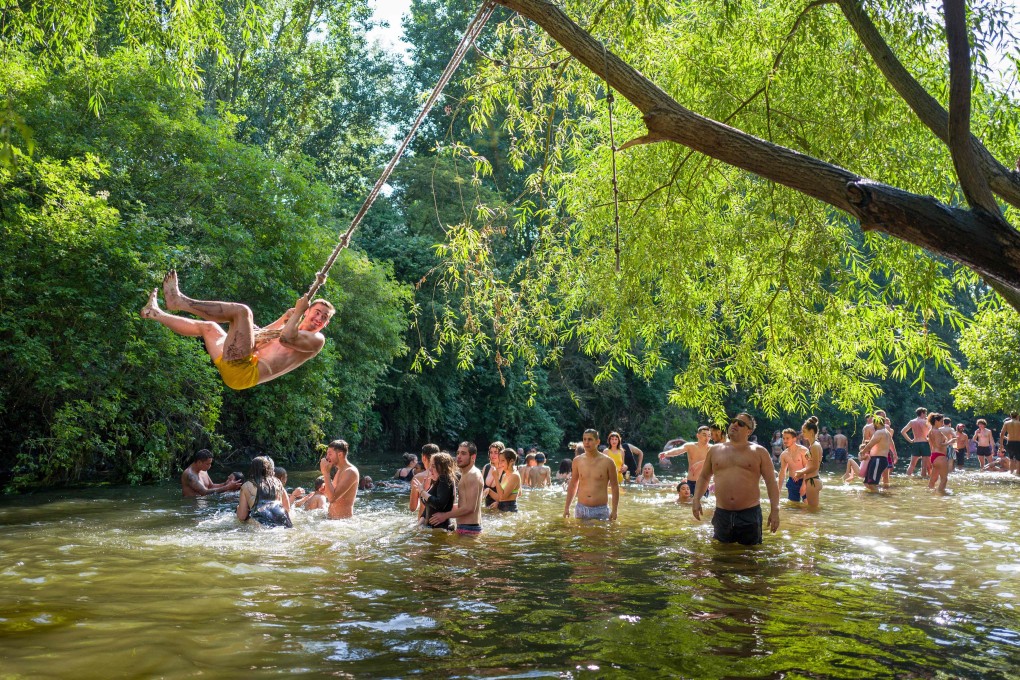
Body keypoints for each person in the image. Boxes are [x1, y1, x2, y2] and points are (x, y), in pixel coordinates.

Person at [141, 270, 335, 390]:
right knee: (208, 328)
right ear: (309, 312)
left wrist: (297, 312)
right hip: (237, 367)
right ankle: (155, 313)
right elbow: (258, 338)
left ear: (325, 324)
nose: (319, 319)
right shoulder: (290, 328)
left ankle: (179, 301)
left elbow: (286, 339)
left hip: (245, 372)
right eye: (317, 312)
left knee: (242, 312)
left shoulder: (316, 340)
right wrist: (284, 318)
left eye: (324, 318)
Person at [692, 413, 779, 545]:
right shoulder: (715, 450)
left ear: (749, 431)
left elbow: (771, 482)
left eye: (741, 423)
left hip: (749, 514)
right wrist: (696, 499)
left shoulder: (759, 452)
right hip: (722, 514)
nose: (735, 424)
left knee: (750, 558)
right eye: (734, 421)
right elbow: (704, 477)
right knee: (721, 558)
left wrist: (775, 510)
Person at [429, 441, 484, 535]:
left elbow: (470, 508)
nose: (459, 456)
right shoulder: (466, 474)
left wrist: (444, 515)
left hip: (469, 530)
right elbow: (465, 504)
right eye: (458, 453)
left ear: (473, 457)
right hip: (466, 528)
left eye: (463, 453)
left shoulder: (473, 475)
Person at [564, 429, 619, 520]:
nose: (586, 442)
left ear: (597, 442)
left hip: (601, 510)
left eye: (590, 439)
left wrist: (615, 510)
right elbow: (573, 484)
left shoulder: (608, 462)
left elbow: (615, 487)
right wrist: (567, 508)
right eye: (584, 439)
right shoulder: (577, 461)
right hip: (581, 508)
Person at [236, 456, 293, 528]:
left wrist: (238, 508)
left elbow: (242, 517)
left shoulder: (246, 486)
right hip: (283, 520)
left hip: (262, 523)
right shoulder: (277, 482)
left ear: (252, 469)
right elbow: (287, 508)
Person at [660, 426, 712, 497]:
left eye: (709, 436)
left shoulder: (712, 448)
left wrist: (699, 463)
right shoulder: (690, 446)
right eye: (704, 435)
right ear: (698, 435)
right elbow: (678, 450)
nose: (707, 438)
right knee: (687, 505)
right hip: (690, 482)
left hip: (703, 482)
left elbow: (715, 460)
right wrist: (666, 453)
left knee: (703, 504)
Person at [413, 451, 457, 531]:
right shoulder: (436, 480)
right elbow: (428, 507)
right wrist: (419, 526)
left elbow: (439, 504)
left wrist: (422, 491)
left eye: (433, 466)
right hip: (430, 528)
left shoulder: (445, 479)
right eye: (430, 466)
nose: (430, 469)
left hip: (442, 530)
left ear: (442, 467)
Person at [319, 439, 359, 519]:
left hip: (343, 522)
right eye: (327, 454)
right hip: (332, 520)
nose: (327, 457)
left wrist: (326, 473)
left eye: (330, 454)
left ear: (340, 454)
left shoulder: (350, 471)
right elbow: (330, 495)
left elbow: (332, 498)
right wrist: (325, 489)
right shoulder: (340, 470)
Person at [793, 416, 823, 509]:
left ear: (811, 432)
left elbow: (815, 466)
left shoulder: (815, 446)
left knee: (812, 511)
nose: (802, 433)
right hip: (812, 480)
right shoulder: (813, 445)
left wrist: (801, 472)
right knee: (811, 510)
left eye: (804, 431)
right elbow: (810, 465)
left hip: (813, 481)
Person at [858, 416, 892, 491]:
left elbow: (870, 445)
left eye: (874, 423)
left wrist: (862, 452)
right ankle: (875, 497)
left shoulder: (879, 432)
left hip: (878, 459)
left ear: (877, 423)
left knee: (872, 484)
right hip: (878, 459)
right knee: (867, 483)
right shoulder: (887, 432)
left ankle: (878, 499)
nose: (873, 425)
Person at [777, 428, 807, 503]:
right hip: (792, 482)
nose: (785, 441)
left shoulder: (804, 450)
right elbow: (782, 472)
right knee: (794, 507)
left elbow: (808, 468)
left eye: (787, 438)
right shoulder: (783, 455)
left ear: (794, 439)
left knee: (808, 505)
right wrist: (778, 490)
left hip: (805, 480)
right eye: (783, 438)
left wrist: (804, 485)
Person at [411, 444, 440, 517]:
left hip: (423, 521)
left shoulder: (418, 477)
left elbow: (412, 508)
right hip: (442, 521)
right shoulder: (447, 476)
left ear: (424, 458)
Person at [901, 407, 930, 477]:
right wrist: (928, 439)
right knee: (924, 466)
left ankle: (907, 477)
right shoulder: (926, 422)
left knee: (912, 464)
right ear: (922, 413)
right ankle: (923, 479)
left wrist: (910, 440)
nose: (926, 415)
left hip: (916, 443)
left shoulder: (912, 421)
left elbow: (903, 431)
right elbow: (931, 432)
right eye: (925, 413)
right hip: (924, 443)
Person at [927, 413, 951, 493]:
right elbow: (939, 445)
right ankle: (940, 495)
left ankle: (929, 494)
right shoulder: (937, 431)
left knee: (933, 479)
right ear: (936, 421)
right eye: (941, 421)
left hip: (934, 456)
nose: (942, 423)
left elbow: (933, 445)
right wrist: (951, 441)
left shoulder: (930, 431)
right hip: (940, 456)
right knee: (944, 479)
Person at [481, 442, 503, 508]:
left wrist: (499, 503)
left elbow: (513, 494)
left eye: (496, 452)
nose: (492, 455)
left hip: (501, 509)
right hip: (487, 507)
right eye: (491, 452)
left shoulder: (506, 470)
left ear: (501, 454)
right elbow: (480, 489)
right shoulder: (486, 467)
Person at [1001, 411, 1020, 476]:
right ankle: (1018, 473)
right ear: (1017, 416)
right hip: (1018, 442)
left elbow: (1002, 434)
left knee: (1011, 458)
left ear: (1010, 416)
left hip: (1010, 442)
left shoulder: (1006, 423)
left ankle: (1011, 473)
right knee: (1018, 459)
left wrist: (1001, 445)